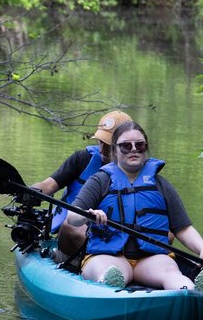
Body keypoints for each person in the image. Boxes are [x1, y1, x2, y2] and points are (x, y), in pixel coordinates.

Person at [68, 121, 203, 291]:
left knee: (172, 274)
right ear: (115, 150)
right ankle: (109, 285)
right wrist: (89, 214)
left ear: (146, 148)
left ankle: (188, 291)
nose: (133, 149)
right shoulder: (100, 181)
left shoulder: (160, 185)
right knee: (109, 272)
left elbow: (183, 228)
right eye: (126, 146)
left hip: (150, 259)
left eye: (139, 145)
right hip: (108, 256)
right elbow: (73, 218)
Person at [29, 110, 133, 257]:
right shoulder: (82, 159)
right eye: (101, 142)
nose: (103, 149)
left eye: (109, 145)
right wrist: (25, 191)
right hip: (74, 232)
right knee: (72, 225)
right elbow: (48, 186)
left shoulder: (136, 171)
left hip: (114, 236)